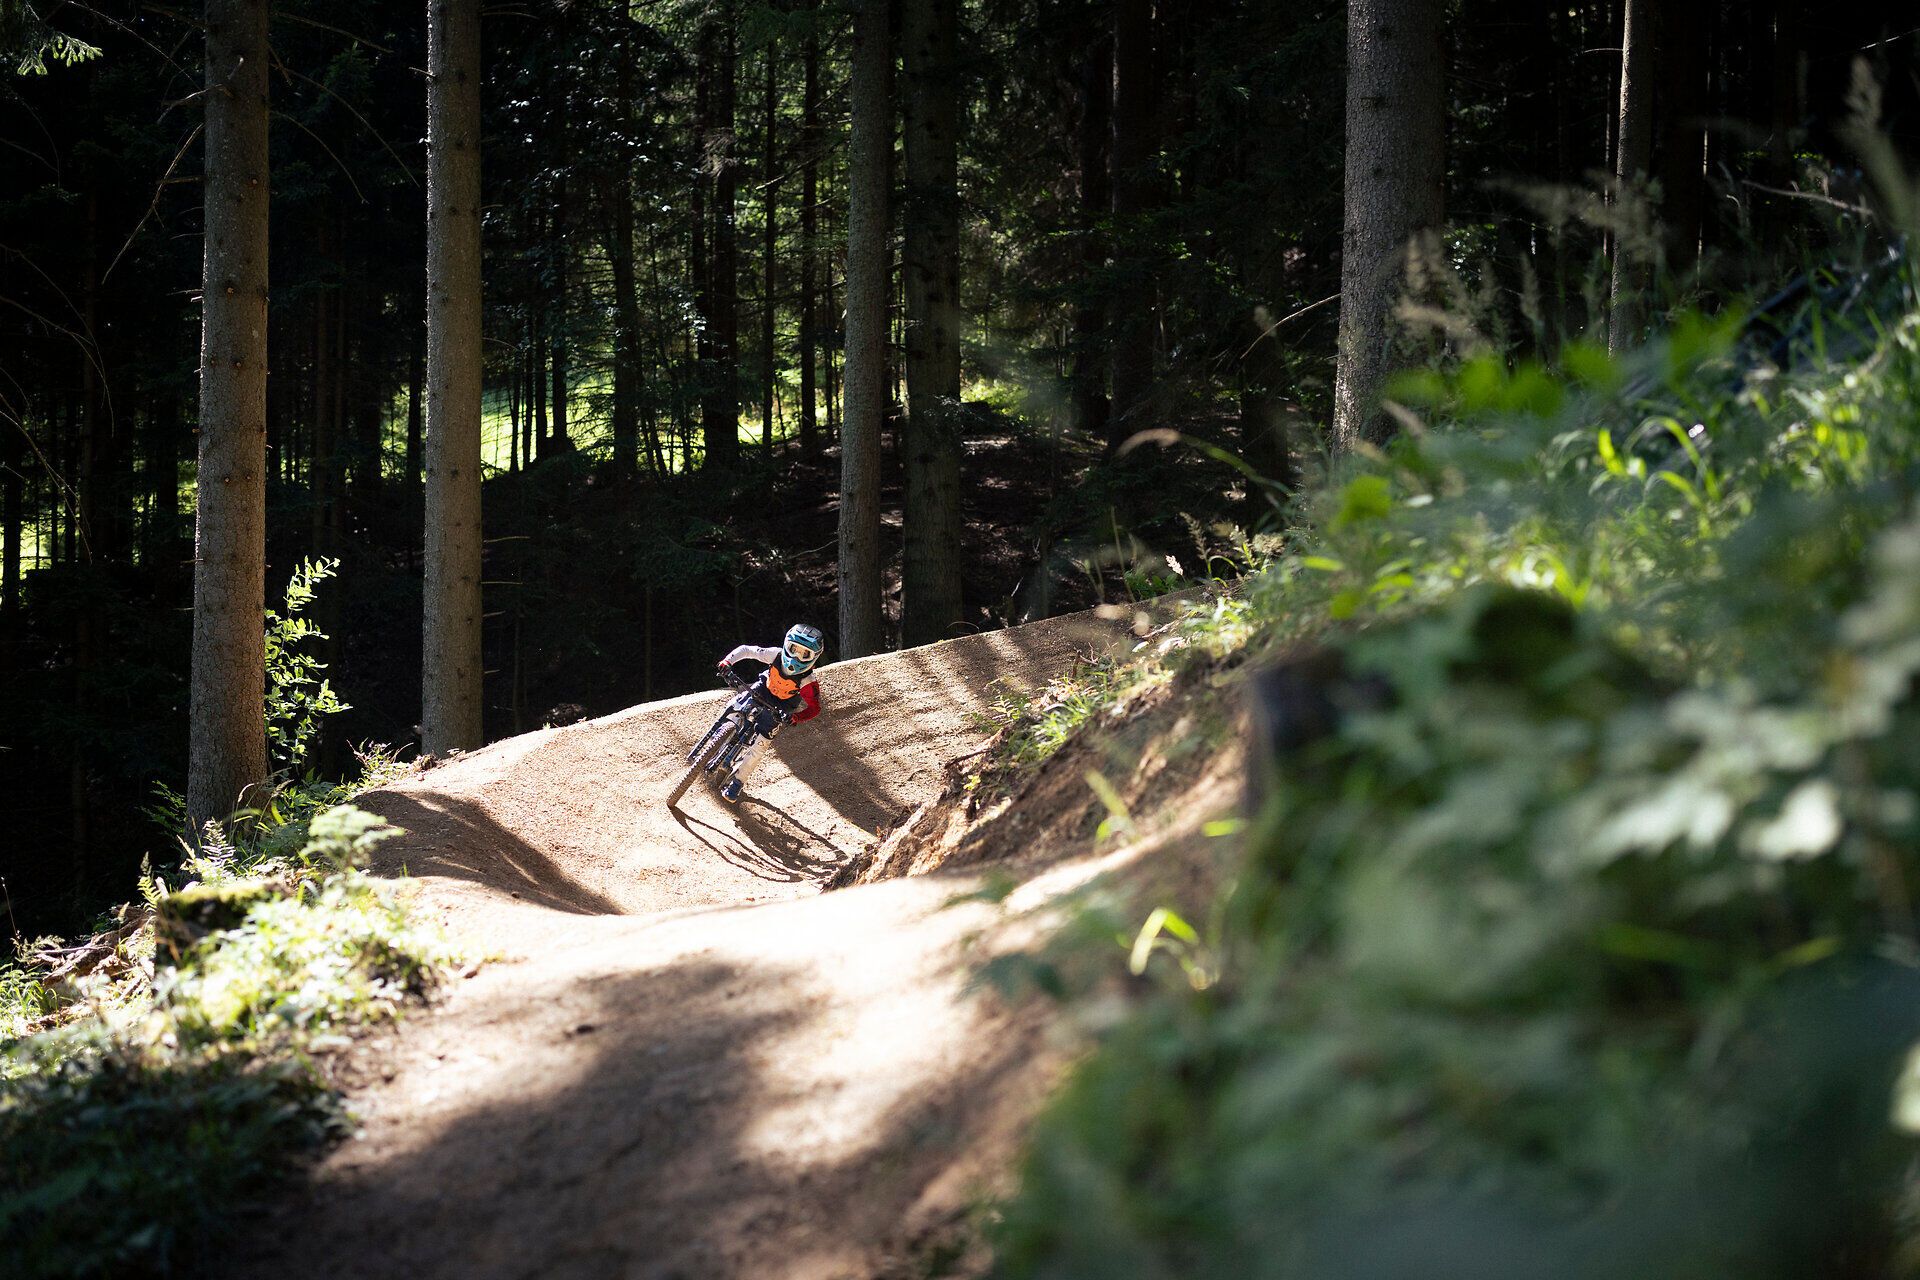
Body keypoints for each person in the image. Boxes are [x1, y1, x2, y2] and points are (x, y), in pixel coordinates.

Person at [713, 622, 825, 802]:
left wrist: (794, 717)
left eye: (805, 654)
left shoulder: (808, 681)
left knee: (760, 746)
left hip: (782, 708)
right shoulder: (776, 655)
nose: (796, 657)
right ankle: (716, 734)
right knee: (736, 703)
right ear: (786, 644)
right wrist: (728, 662)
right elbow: (747, 650)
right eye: (793, 649)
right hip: (764, 688)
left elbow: (814, 708)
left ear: (814, 657)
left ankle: (737, 782)